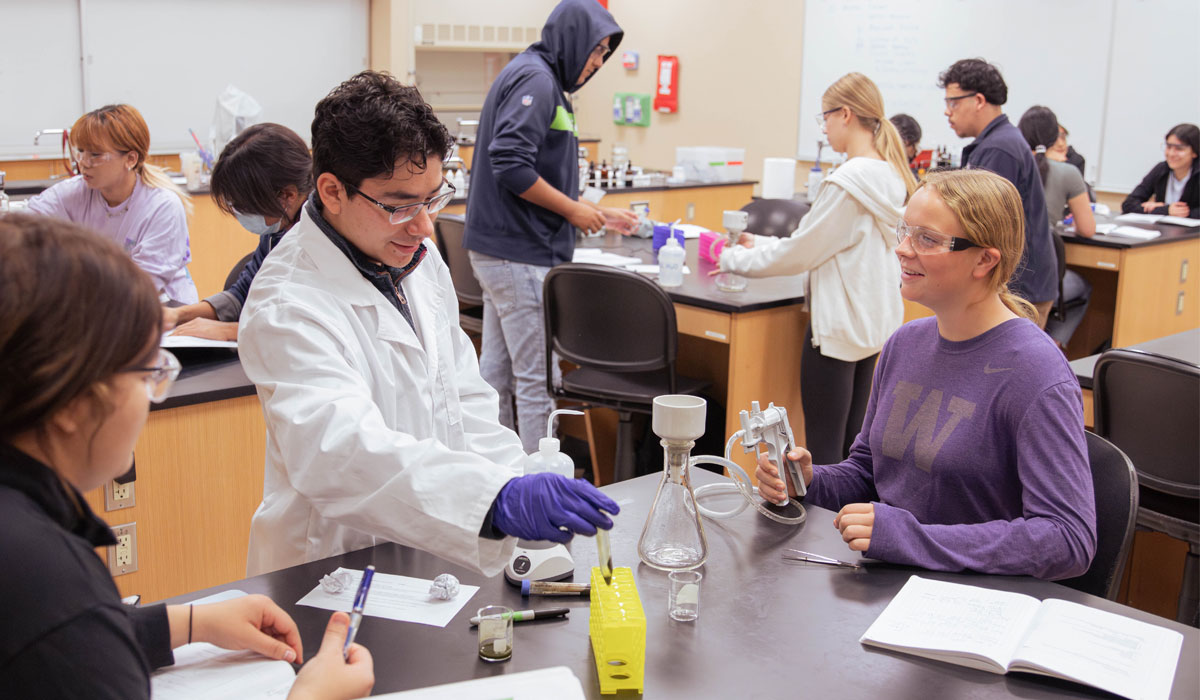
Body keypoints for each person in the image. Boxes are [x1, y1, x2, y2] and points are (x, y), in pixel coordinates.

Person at [237, 71, 619, 577]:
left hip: (434, 554)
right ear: (331, 190)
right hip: (329, 567)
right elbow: (338, 453)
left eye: (433, 198)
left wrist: (513, 481)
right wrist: (491, 500)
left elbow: (465, 399)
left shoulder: (416, 258)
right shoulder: (287, 302)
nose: (423, 226)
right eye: (399, 205)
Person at [0, 213, 373, 699]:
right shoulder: (44, 575)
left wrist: (181, 623)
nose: (153, 392)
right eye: (146, 369)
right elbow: (58, 631)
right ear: (72, 403)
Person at [755, 169, 1097, 580]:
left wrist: (912, 537)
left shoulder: (1034, 372)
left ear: (985, 260)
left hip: (973, 600)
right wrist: (810, 481)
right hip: (893, 579)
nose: (902, 249)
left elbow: (1068, 539)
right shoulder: (905, 343)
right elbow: (869, 471)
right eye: (905, 231)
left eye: (927, 239)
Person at [462, 0, 638, 453]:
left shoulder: (537, 76)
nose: (598, 63)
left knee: (496, 374)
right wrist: (574, 212)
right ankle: (540, 487)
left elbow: (532, 167)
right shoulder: (537, 80)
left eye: (604, 54)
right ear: (574, 39)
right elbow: (511, 163)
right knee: (538, 380)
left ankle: (496, 472)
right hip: (519, 255)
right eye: (596, 50)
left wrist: (586, 208)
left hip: (502, 253)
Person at [716, 72, 917, 465]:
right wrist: (757, 242)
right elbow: (828, 243)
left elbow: (801, 254)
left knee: (823, 454)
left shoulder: (848, 181)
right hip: (873, 326)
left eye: (824, 118)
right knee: (854, 450)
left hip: (837, 328)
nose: (824, 130)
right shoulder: (891, 175)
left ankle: (822, 527)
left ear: (845, 114)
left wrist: (731, 259)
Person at [23, 104, 197, 304]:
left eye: (96, 155)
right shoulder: (74, 192)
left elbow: (141, 287)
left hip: (161, 311)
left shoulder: (163, 206)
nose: (84, 162)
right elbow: (24, 228)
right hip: (100, 307)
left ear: (130, 159)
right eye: (80, 151)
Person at [165, 124, 313, 340]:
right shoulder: (277, 228)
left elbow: (304, 323)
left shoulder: (321, 236)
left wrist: (230, 331)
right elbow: (242, 294)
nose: (238, 212)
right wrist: (176, 315)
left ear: (287, 195)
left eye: (243, 204)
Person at [938, 58, 1058, 328]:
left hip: (1018, 291)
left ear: (978, 100)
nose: (947, 112)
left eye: (953, 102)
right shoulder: (997, 142)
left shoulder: (998, 150)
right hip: (1020, 287)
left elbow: (980, 225)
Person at [1018, 106, 1096, 237]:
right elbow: (1087, 230)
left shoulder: (1009, 164)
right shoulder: (1068, 172)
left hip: (1006, 250)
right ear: (1054, 136)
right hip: (1044, 253)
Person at [1122, 123, 1199, 219]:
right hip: (1162, 231)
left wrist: (1180, 212)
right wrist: (1165, 210)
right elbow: (1128, 204)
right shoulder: (1161, 169)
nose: (1171, 153)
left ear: (1195, 152)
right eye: (1169, 147)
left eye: (1179, 149)